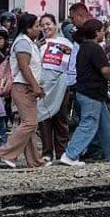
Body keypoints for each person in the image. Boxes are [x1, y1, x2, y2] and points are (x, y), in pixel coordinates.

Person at [59, 19, 110, 166]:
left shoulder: (83, 47)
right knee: (89, 124)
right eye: (103, 30)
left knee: (106, 125)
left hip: (89, 92)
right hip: (91, 93)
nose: (104, 33)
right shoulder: (95, 48)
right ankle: (70, 155)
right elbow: (105, 70)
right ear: (96, 32)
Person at [0, 13, 45, 168]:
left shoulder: (29, 43)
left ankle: (34, 161)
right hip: (23, 87)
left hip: (27, 87)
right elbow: (24, 67)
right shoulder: (23, 43)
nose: (39, 29)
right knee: (30, 123)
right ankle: (6, 153)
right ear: (28, 29)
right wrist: (35, 86)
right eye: (36, 26)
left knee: (30, 125)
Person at [36, 14, 73, 163]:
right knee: (44, 119)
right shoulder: (38, 44)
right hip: (43, 87)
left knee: (60, 119)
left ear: (55, 24)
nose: (45, 27)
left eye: (48, 24)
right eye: (42, 25)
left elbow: (71, 65)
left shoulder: (66, 43)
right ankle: (47, 153)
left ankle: (62, 152)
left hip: (61, 87)